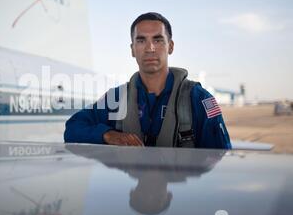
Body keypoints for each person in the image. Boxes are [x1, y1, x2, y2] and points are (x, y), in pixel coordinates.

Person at [64, 12, 231, 149]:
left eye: (158, 40)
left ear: (170, 46)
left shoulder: (200, 99)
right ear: (132, 49)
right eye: (141, 40)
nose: (150, 48)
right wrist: (108, 135)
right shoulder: (116, 98)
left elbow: (221, 159)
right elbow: (73, 128)